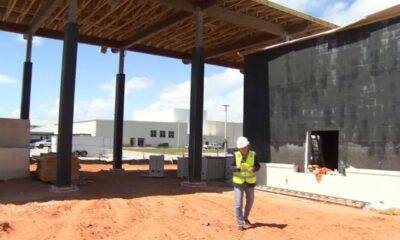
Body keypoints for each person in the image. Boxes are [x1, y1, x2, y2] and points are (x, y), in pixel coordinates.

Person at [230, 136, 260, 231]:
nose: (243, 149)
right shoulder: (236, 155)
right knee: (238, 204)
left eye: (244, 147)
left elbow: (258, 166)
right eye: (241, 148)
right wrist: (236, 168)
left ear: (247, 146)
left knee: (250, 201)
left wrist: (254, 169)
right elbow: (230, 167)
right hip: (238, 183)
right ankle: (240, 223)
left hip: (250, 183)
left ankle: (245, 217)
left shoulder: (253, 154)